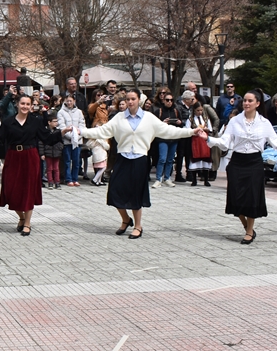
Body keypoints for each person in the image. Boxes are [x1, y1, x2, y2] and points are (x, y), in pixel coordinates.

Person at [81, 88, 200, 240]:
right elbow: (102, 131)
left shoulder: (149, 118)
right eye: (128, 99)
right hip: (123, 158)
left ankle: (138, 226)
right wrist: (82, 131)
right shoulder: (119, 118)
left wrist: (191, 132)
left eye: (133, 99)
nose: (130, 102)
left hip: (140, 159)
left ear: (139, 100)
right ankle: (126, 219)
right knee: (114, 191)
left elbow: (169, 130)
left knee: (136, 193)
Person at [203, 89, 277, 244]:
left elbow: (276, 142)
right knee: (236, 196)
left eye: (250, 101)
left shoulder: (264, 123)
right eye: (245, 100)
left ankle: (249, 231)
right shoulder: (235, 121)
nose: (246, 103)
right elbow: (224, 142)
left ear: (257, 103)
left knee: (252, 197)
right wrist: (208, 139)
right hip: (237, 161)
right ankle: (246, 225)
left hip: (254, 162)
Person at [0, 95, 64, 235]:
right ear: (17, 104)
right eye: (22, 103)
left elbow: (47, 138)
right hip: (13, 157)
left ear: (31, 106)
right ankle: (21, 217)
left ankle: (27, 223)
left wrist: (62, 132)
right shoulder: (8, 122)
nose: (25, 106)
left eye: (27, 104)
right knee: (11, 190)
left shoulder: (36, 121)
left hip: (30, 156)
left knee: (28, 190)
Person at [153, 92, 185, 188]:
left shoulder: (176, 111)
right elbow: (154, 124)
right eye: (167, 100)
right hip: (162, 138)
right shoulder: (159, 111)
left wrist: (179, 122)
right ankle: (158, 179)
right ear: (163, 101)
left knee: (170, 159)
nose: (169, 102)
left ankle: (167, 178)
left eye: (171, 100)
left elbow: (181, 123)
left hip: (173, 138)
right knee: (162, 158)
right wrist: (162, 122)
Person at [57, 93, 85, 186]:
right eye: (67, 101)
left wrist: (78, 135)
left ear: (74, 101)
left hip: (77, 141)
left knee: (76, 161)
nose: (69, 103)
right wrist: (71, 136)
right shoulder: (61, 112)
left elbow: (82, 124)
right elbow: (62, 126)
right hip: (67, 141)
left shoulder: (79, 112)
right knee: (67, 161)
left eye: (71, 101)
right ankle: (68, 179)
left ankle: (75, 178)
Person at [185, 100, 214, 186]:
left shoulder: (205, 118)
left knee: (206, 159)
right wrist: (194, 131)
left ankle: (206, 179)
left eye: (201, 110)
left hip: (204, 141)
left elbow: (210, 129)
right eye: (198, 110)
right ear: (194, 110)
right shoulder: (190, 119)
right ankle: (194, 180)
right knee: (195, 159)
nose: (200, 112)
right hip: (195, 141)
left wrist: (206, 129)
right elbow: (187, 130)